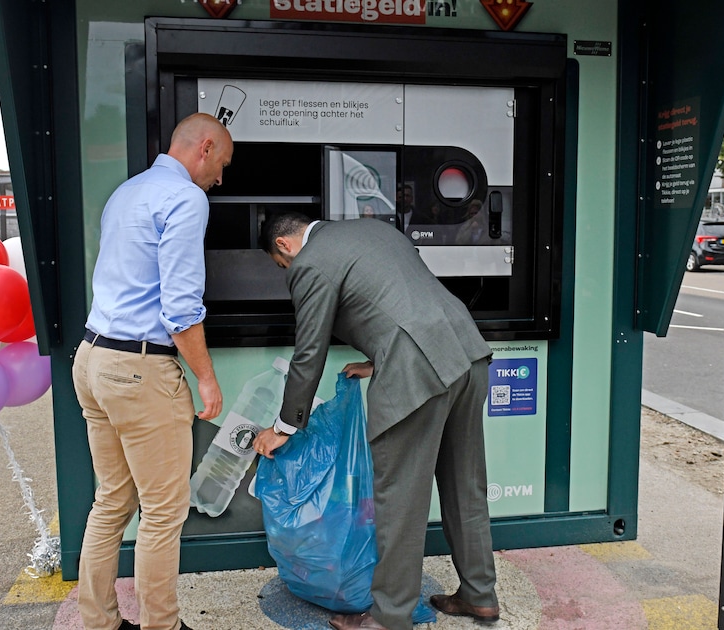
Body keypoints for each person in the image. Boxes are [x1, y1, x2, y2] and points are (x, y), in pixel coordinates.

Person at [252, 214, 499, 630]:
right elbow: (401, 298)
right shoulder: (373, 229)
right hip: (465, 352)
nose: (288, 272)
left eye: (283, 266)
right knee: (465, 485)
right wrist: (378, 359)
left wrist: (283, 427)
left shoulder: (311, 261)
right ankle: (480, 595)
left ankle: (388, 618)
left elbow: (308, 352)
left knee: (399, 501)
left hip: (417, 369)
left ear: (284, 245)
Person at [72, 112, 232, 630]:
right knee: (163, 512)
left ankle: (98, 621)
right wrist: (205, 377)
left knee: (111, 501)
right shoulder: (186, 198)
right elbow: (181, 306)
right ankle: (161, 625)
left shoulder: (128, 192)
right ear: (204, 148)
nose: (220, 178)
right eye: (222, 164)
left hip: (92, 358)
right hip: (138, 370)